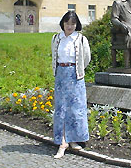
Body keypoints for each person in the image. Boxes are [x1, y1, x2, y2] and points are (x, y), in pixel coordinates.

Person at [51, 11, 91, 159]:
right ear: (63, 23)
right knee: (61, 108)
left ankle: (73, 139)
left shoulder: (81, 39)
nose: (70, 26)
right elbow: (54, 55)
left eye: (73, 24)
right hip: (61, 75)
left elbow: (86, 58)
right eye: (67, 23)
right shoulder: (56, 38)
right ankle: (62, 142)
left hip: (75, 76)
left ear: (76, 25)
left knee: (76, 108)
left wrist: (78, 69)